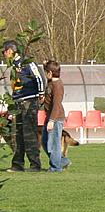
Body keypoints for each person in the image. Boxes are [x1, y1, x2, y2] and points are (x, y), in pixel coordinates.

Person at [3, 40, 45, 172]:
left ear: (10, 50)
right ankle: (17, 164)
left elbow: (39, 77)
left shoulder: (27, 62)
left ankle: (35, 164)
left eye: (3, 51)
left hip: (29, 101)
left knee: (29, 133)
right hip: (17, 102)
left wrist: (41, 94)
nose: (3, 54)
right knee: (17, 134)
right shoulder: (14, 65)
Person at [42, 60, 71, 172]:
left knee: (53, 144)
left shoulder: (57, 85)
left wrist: (52, 120)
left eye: (46, 71)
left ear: (50, 72)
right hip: (49, 117)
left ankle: (56, 167)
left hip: (56, 118)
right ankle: (63, 161)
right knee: (45, 142)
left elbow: (57, 104)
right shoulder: (50, 83)